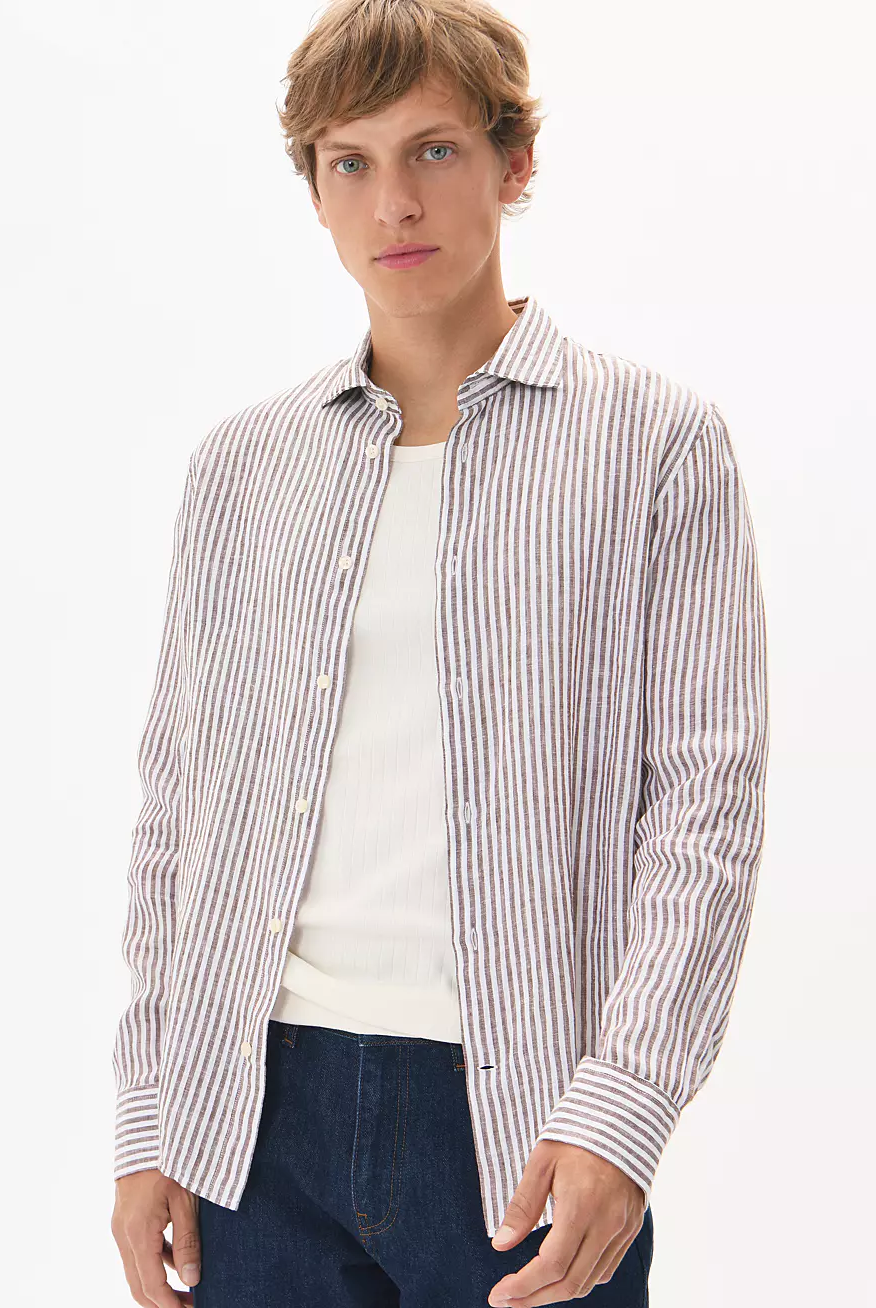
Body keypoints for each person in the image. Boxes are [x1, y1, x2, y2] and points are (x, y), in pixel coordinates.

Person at [110, 1, 770, 1305]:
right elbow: (179, 810)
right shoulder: (244, 469)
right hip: (251, 1117)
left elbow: (706, 809)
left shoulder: (654, 443)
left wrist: (626, 1108)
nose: (394, 203)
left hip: (520, 1118)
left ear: (514, 164)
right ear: (314, 191)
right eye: (350, 162)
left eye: (435, 151)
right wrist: (149, 1113)